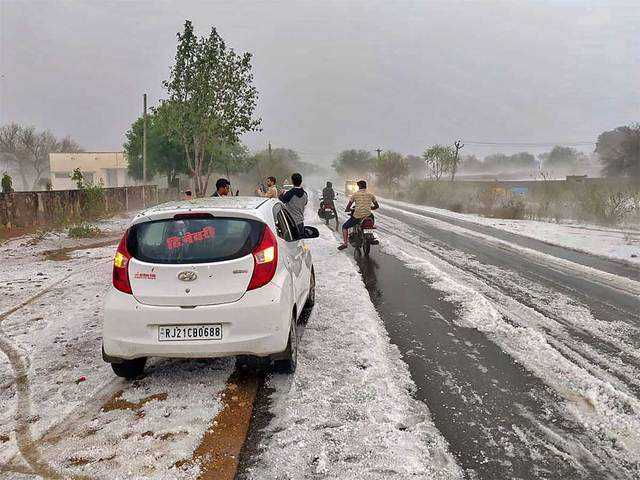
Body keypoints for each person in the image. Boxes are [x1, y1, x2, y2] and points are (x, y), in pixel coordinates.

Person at [338, 180, 379, 250]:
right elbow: (377, 206)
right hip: (368, 215)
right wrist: (370, 207)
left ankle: (345, 243)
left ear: (359, 186)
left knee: (344, 227)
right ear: (365, 186)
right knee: (371, 217)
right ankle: (370, 233)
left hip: (357, 216)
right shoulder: (371, 195)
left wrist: (347, 209)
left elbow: (349, 205)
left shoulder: (355, 194)